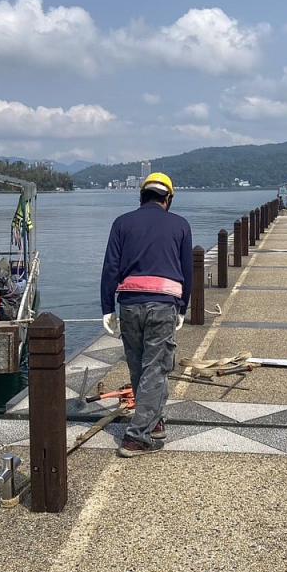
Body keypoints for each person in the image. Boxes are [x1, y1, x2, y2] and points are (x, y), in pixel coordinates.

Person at [100, 172, 193, 457]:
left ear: (142, 196)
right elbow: (187, 271)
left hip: (129, 304)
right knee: (156, 367)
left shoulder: (122, 223)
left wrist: (107, 308)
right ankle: (138, 436)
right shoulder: (180, 225)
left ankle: (154, 423)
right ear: (168, 198)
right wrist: (183, 307)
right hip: (163, 304)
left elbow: (110, 269)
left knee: (138, 366)